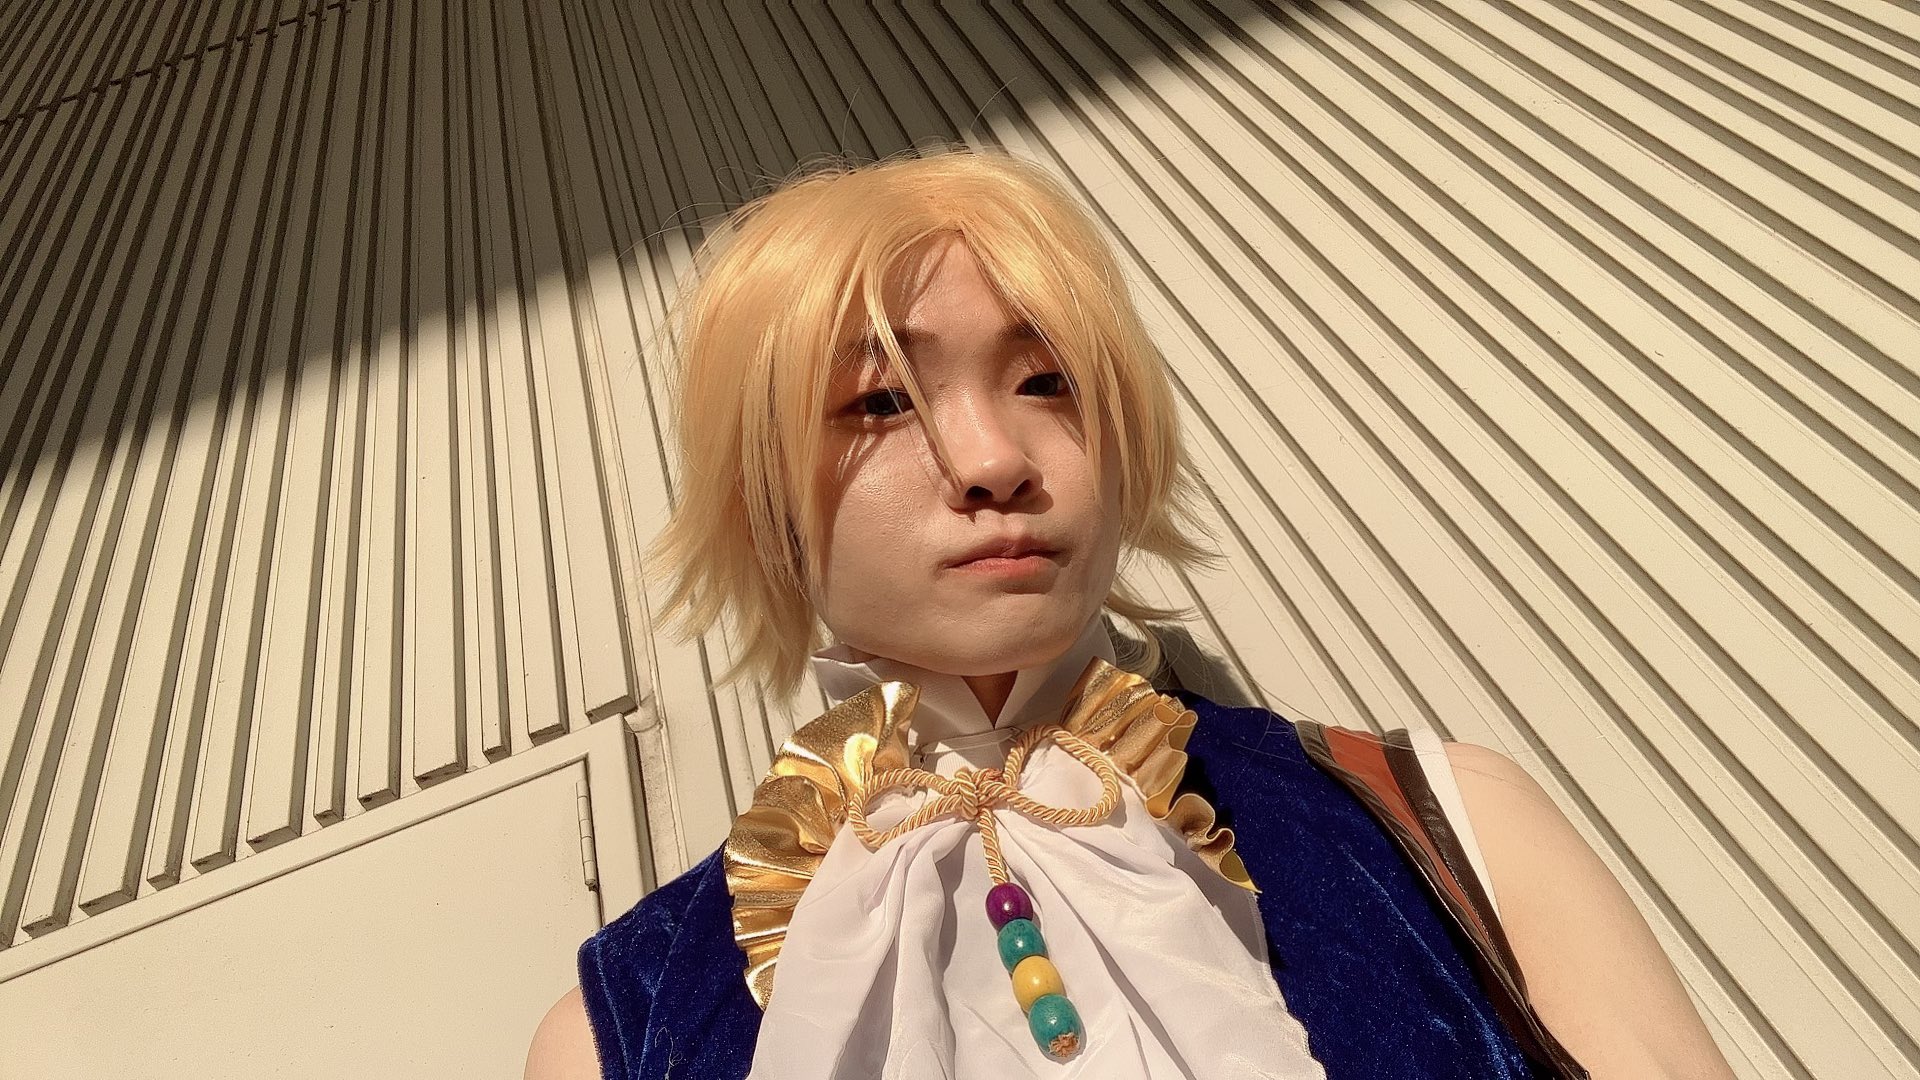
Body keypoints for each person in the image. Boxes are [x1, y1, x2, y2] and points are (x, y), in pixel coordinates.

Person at [525, 147, 1734, 1079]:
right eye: (882, 402)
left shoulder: (1448, 822)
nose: (994, 459)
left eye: (1047, 380)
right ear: (763, 500)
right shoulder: (619, 1027)